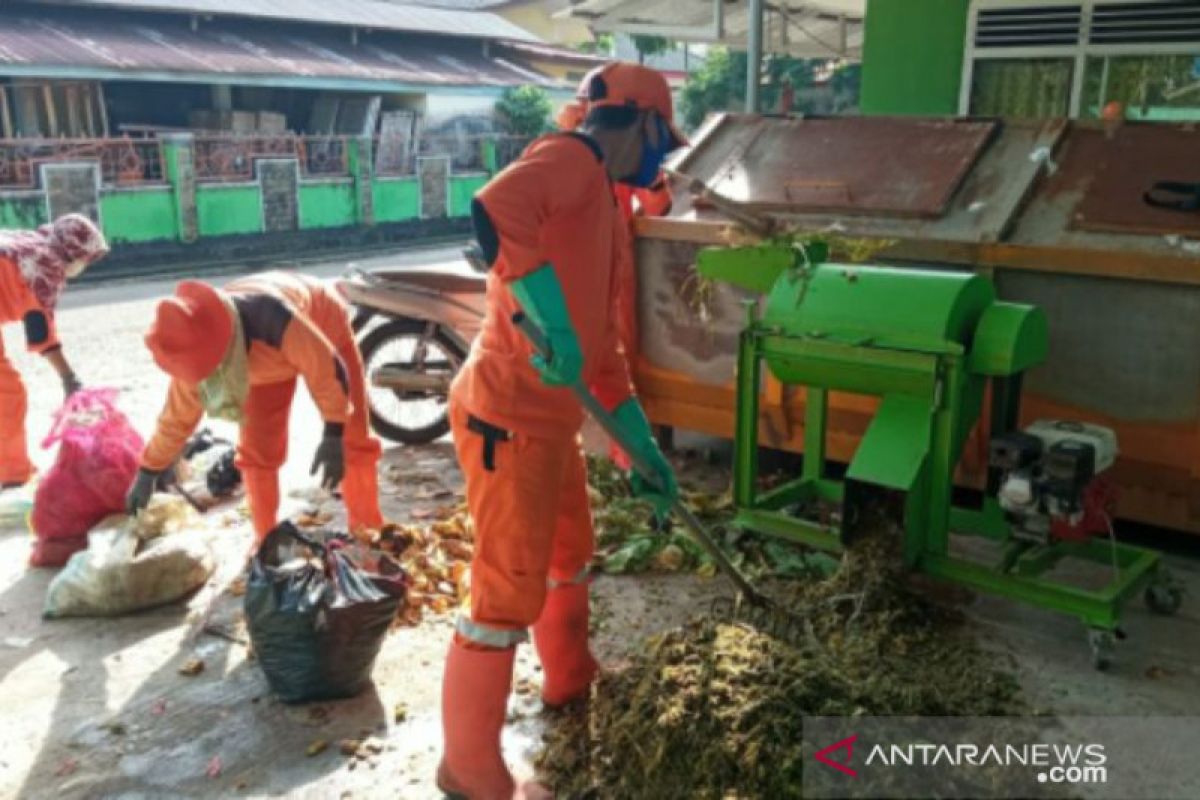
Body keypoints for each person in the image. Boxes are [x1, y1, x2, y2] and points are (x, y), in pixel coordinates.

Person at [438, 62, 686, 799]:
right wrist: (543, 314)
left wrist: (641, 448)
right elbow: (495, 209)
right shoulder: (569, 156)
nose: (662, 153)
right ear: (640, 122)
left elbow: (601, 354)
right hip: (505, 415)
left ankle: (569, 676)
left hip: (548, 422)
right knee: (505, 591)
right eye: (662, 136)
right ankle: (471, 771)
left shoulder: (607, 200)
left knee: (569, 553)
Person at [126, 271, 383, 541]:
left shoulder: (271, 317)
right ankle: (265, 540)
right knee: (257, 451)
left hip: (322, 325)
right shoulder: (192, 356)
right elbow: (175, 419)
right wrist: (148, 471)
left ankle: (367, 528)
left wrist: (333, 433)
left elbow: (327, 372)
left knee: (352, 439)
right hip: (263, 367)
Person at [0, 214, 108, 489]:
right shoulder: (45, 264)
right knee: (8, 393)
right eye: (86, 258)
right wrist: (69, 378)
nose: (84, 264)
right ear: (74, 250)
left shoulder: (28, 243)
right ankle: (12, 473)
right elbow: (41, 333)